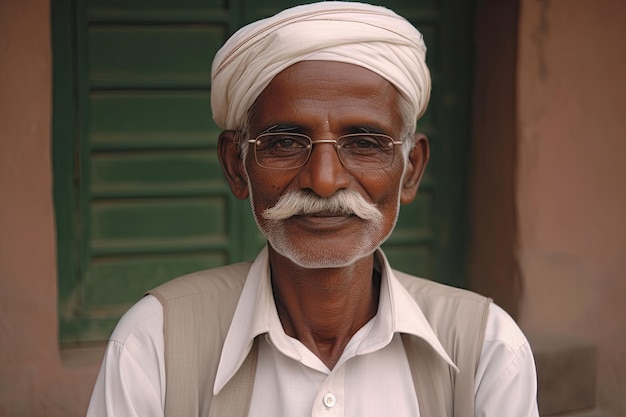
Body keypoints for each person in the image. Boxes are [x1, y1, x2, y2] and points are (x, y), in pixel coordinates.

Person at [86, 2, 539, 416]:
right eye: (284, 142)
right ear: (236, 167)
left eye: (364, 143)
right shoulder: (155, 345)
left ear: (411, 170)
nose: (324, 180)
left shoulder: (487, 350)